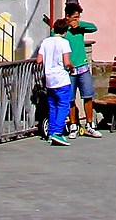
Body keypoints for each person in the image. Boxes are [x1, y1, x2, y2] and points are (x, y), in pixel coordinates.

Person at [61, 2, 101, 137]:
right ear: (67, 16)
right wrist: (67, 25)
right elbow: (53, 34)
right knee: (70, 98)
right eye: (74, 17)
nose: (76, 20)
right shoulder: (62, 28)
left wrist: (79, 24)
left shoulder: (80, 28)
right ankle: (73, 125)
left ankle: (90, 124)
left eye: (78, 17)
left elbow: (94, 28)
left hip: (83, 68)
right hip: (69, 70)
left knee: (88, 95)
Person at [37, 19, 76, 147]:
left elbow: (39, 60)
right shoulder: (64, 43)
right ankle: (58, 133)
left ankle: (50, 133)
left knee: (52, 107)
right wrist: (71, 67)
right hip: (61, 78)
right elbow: (67, 62)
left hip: (49, 79)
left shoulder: (46, 41)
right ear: (65, 31)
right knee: (63, 106)